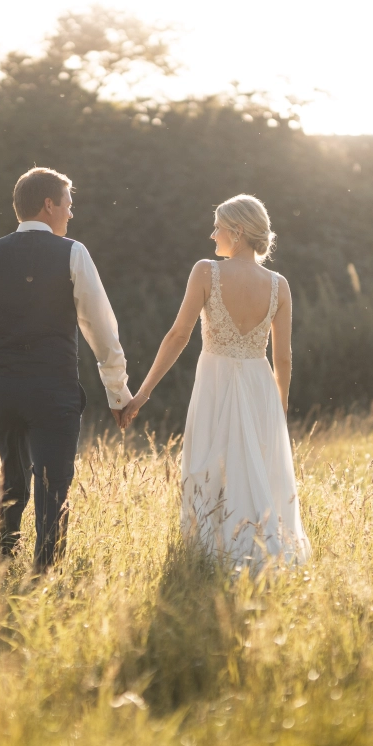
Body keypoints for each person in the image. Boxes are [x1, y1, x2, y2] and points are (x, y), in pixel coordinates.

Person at [0, 167, 131, 572]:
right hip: (55, 392)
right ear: (49, 204)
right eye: (67, 203)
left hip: (5, 392)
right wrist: (118, 393)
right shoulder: (73, 253)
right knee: (53, 489)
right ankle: (44, 576)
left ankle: (0, 568)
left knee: (12, 482)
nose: (70, 212)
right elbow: (102, 330)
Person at [122, 194, 310, 568]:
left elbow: (178, 335)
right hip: (260, 387)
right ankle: (261, 555)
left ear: (237, 232)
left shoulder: (206, 272)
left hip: (216, 381)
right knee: (254, 471)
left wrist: (142, 393)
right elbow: (284, 357)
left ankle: (210, 557)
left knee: (207, 467)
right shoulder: (279, 285)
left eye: (218, 227)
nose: (212, 235)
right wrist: (280, 408)